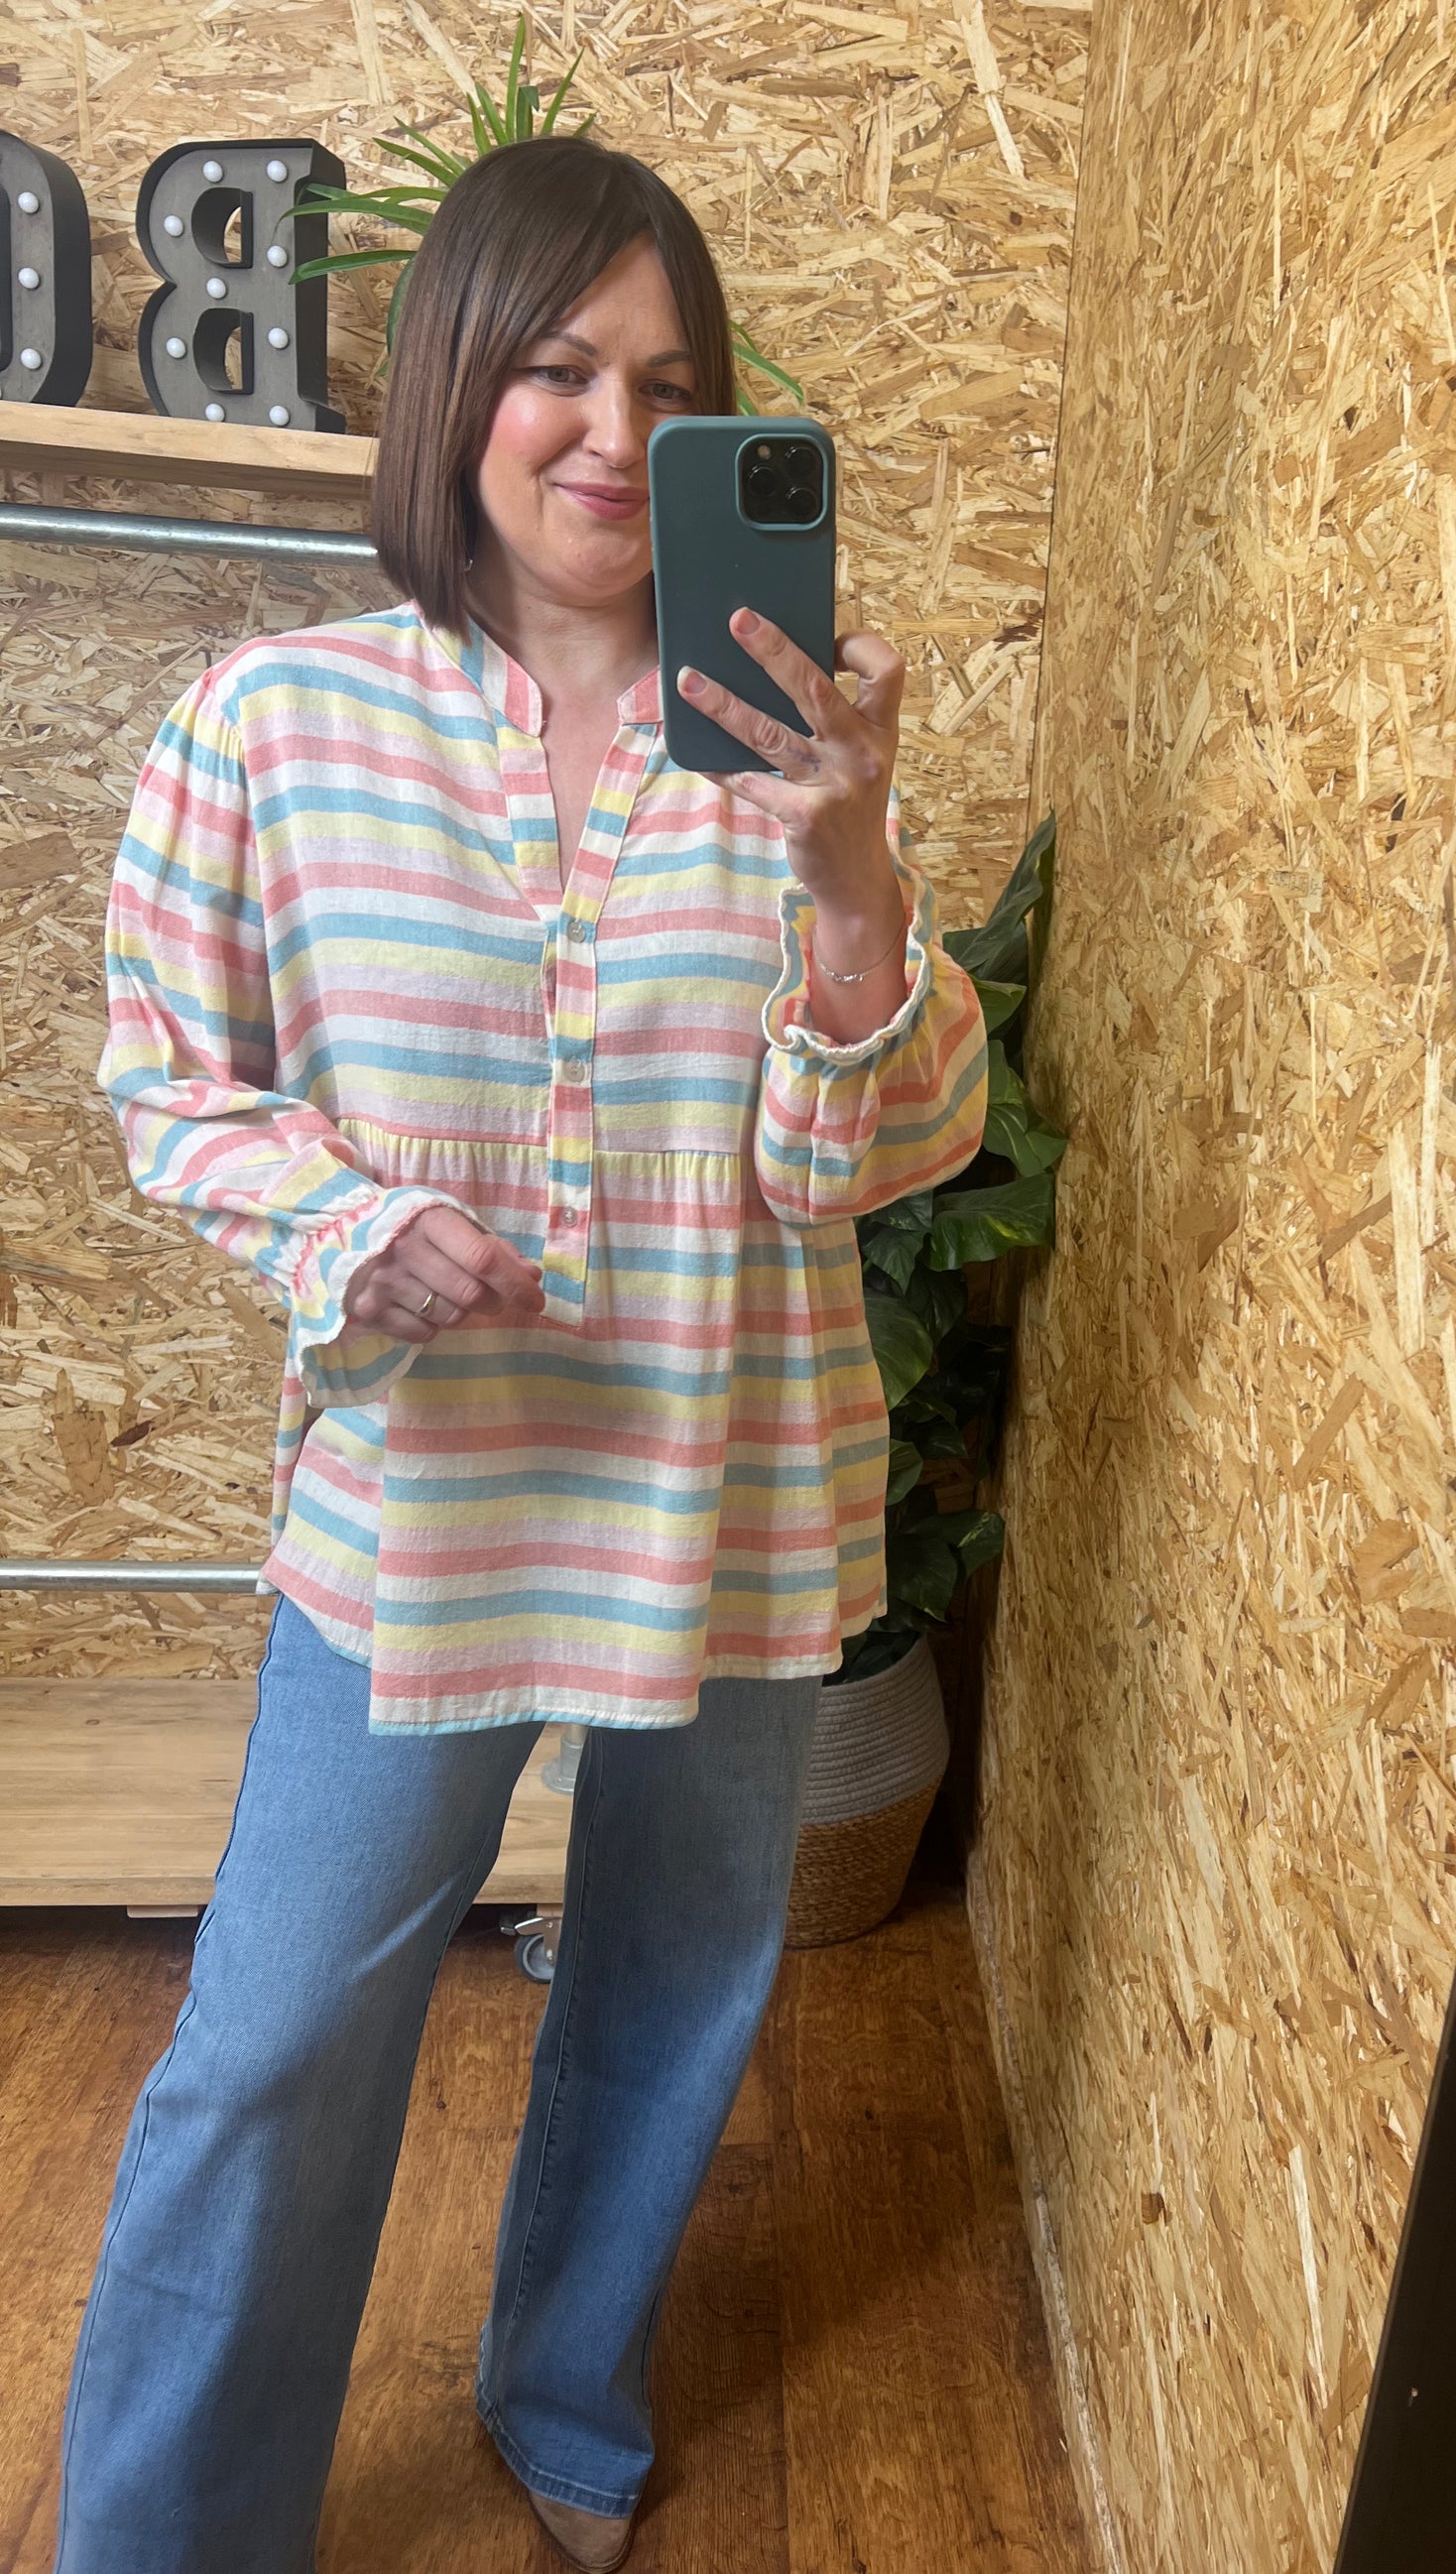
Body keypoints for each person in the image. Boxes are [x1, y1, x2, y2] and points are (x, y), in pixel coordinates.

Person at [57, 133, 987, 2574]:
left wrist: (852, 878)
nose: (606, 430)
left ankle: (565, 2385)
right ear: (456, 378)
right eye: (558, 365)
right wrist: (352, 1225)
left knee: (674, 1974)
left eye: (667, 386)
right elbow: (170, 1076)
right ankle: (166, 2532)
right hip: (427, 1497)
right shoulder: (271, 722)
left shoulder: (786, 744)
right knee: (275, 2031)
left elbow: (869, 1151)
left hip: (735, 1475)